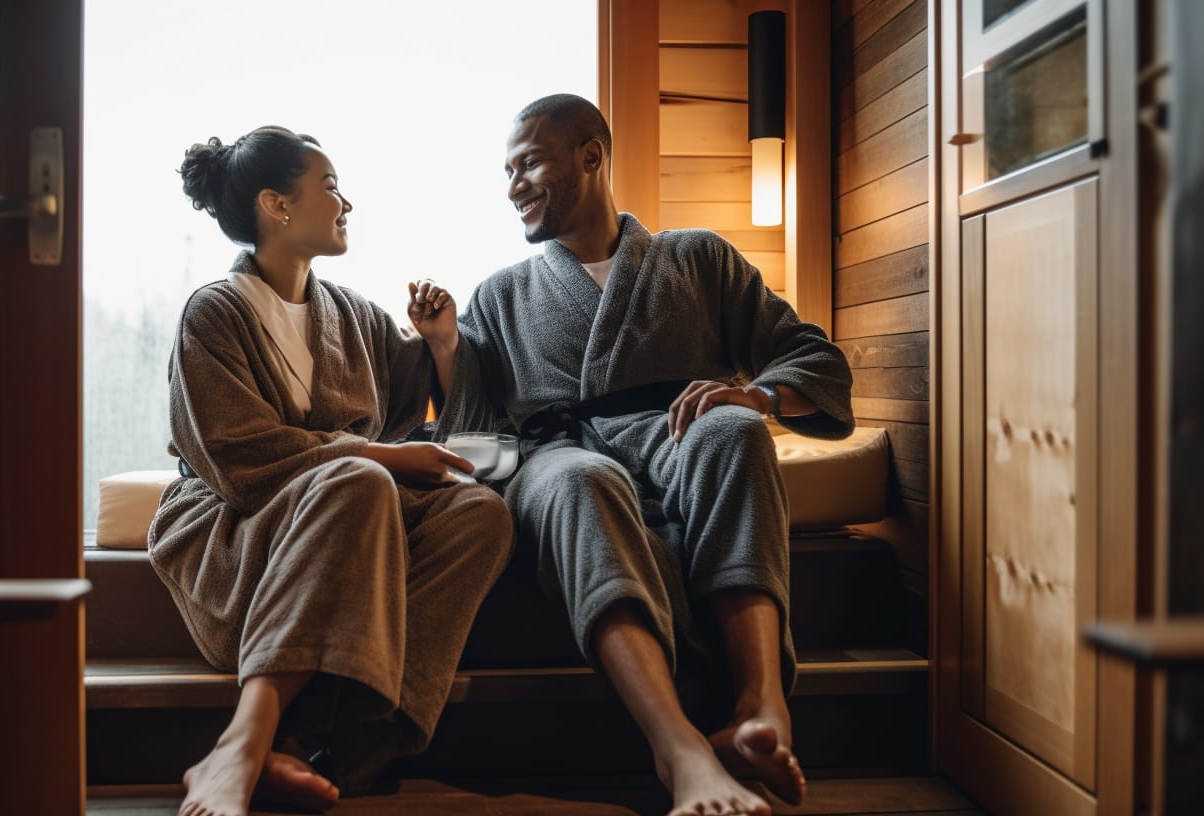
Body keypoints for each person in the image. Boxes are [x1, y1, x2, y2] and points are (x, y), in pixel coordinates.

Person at [431, 94, 855, 816]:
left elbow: (811, 356)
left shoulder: (697, 258)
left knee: (734, 430)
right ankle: (678, 747)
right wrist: (445, 347)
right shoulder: (499, 295)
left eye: (529, 164)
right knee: (582, 477)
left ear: (591, 156)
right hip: (557, 457)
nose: (513, 186)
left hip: (676, 435)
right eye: (507, 172)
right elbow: (475, 430)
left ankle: (761, 703)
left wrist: (758, 397)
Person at [149, 125, 514, 816]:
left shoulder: (350, 313)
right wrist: (375, 457)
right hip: (240, 535)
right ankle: (244, 742)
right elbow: (239, 462)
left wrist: (441, 343)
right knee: (360, 480)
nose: (347, 203)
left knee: (480, 514)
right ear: (277, 205)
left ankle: (343, 745)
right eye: (331, 187)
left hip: (351, 528)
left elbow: (414, 400)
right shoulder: (214, 314)